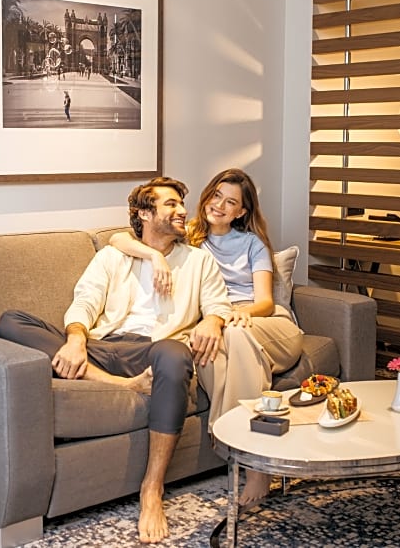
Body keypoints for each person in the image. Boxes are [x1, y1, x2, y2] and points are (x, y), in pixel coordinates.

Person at [0, 177, 232, 544]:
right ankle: (120, 384)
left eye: (181, 204)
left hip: (153, 351)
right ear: (144, 214)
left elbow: (218, 304)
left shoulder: (198, 260)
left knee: (175, 354)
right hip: (104, 347)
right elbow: (85, 301)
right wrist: (76, 339)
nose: (182, 211)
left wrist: (213, 321)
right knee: (12, 321)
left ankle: (151, 489)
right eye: (170, 204)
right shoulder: (113, 255)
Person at [109, 168, 304, 506]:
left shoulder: (252, 244)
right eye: (216, 196)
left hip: (267, 323)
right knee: (209, 347)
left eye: (231, 202)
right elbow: (118, 240)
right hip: (219, 326)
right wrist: (154, 256)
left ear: (241, 212)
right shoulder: (189, 235)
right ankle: (249, 449)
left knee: (234, 334)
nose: (219, 205)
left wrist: (233, 315)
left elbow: (266, 302)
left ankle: (248, 457)